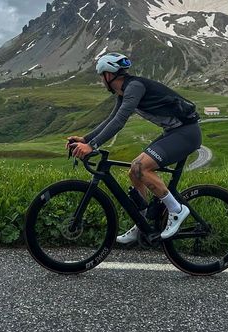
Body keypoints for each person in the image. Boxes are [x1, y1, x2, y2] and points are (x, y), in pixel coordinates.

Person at [66, 52, 202, 243]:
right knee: (133, 172)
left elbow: (120, 121)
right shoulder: (125, 92)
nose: (101, 81)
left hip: (187, 133)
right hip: (174, 132)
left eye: (101, 77)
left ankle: (177, 210)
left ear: (108, 75)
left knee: (140, 167)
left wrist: (91, 146)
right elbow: (111, 119)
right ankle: (143, 224)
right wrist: (86, 139)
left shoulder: (134, 87)